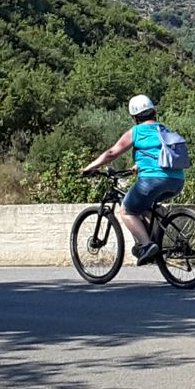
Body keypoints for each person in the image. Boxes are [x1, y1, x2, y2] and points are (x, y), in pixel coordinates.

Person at [80, 94, 186, 265]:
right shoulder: (163, 130)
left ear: (135, 116)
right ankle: (158, 242)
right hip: (177, 180)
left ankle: (146, 244)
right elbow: (160, 154)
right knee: (147, 208)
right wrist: (136, 167)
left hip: (152, 180)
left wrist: (92, 166)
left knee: (126, 210)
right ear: (153, 112)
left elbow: (112, 153)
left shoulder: (136, 131)